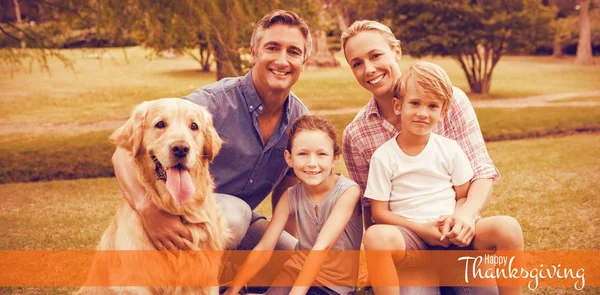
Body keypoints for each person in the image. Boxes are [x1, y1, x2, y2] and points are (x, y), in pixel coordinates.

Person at [111, 9, 312, 253]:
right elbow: (122, 153)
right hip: (187, 213)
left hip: (241, 223)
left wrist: (279, 261)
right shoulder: (213, 103)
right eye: (272, 48)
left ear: (304, 61)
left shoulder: (300, 120)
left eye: (293, 52)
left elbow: (287, 194)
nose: (282, 60)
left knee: (299, 261)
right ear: (254, 52)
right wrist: (147, 209)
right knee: (235, 215)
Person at [340, 20, 517, 294]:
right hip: (409, 242)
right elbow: (371, 209)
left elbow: (480, 173)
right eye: (357, 63)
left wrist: (465, 217)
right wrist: (380, 266)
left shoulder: (450, 100)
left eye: (375, 55)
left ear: (396, 51)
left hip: (456, 231)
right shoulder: (357, 134)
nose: (369, 69)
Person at [224, 115, 363, 295]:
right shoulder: (290, 196)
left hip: (332, 284)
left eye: (321, 154)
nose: (312, 163)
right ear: (289, 158)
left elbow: (321, 248)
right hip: (295, 270)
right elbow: (265, 247)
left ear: (335, 158)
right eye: (302, 154)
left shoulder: (348, 192)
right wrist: (232, 291)